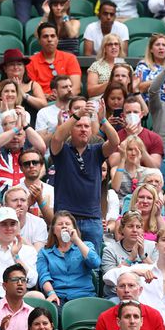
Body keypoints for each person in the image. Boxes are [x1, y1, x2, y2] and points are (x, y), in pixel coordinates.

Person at [50, 106, 119, 251]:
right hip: (66, 219)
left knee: (93, 266)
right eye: (79, 126)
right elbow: (56, 138)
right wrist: (76, 115)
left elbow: (114, 142)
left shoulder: (96, 151)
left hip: (92, 219)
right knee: (65, 259)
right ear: (70, 129)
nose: (83, 129)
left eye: (87, 126)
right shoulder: (61, 151)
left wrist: (104, 121)